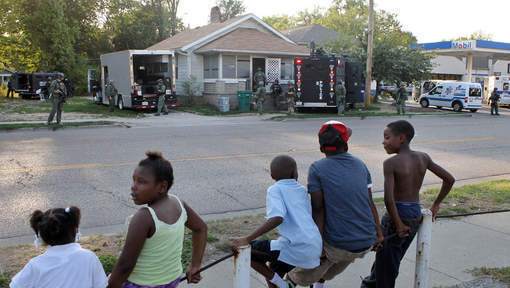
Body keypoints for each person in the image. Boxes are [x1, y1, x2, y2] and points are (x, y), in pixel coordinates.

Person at [288, 120, 383, 288]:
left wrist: (316, 246)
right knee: (324, 271)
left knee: (290, 278)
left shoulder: (317, 168)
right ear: (346, 145)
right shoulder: (360, 165)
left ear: (321, 148)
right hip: (366, 241)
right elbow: (369, 203)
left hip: (339, 245)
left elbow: (318, 210)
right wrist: (378, 233)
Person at [361, 120, 455, 288]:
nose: (383, 142)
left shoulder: (390, 163)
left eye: (387, 137)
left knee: (387, 269)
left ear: (402, 138)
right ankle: (369, 284)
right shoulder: (423, 157)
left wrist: (397, 224)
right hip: (413, 216)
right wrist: (436, 204)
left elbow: (389, 200)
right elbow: (449, 179)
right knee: (387, 262)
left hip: (395, 220)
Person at [108, 151, 207, 288]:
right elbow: (201, 228)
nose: (133, 186)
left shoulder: (144, 217)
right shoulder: (178, 203)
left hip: (140, 284)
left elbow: (125, 266)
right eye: (134, 179)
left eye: (141, 182)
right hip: (170, 281)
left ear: (162, 187)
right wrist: (195, 265)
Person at [231, 155, 322, 288]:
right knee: (274, 268)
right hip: (314, 246)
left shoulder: (275, 189)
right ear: (294, 172)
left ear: (272, 175)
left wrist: (247, 238)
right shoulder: (301, 190)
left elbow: (277, 218)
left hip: (297, 247)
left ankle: (283, 285)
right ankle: (280, 283)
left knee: (243, 250)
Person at [10, 206, 108, 288]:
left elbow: (14, 286)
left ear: (43, 237)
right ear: (75, 231)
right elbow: (102, 285)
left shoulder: (35, 265)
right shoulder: (89, 258)